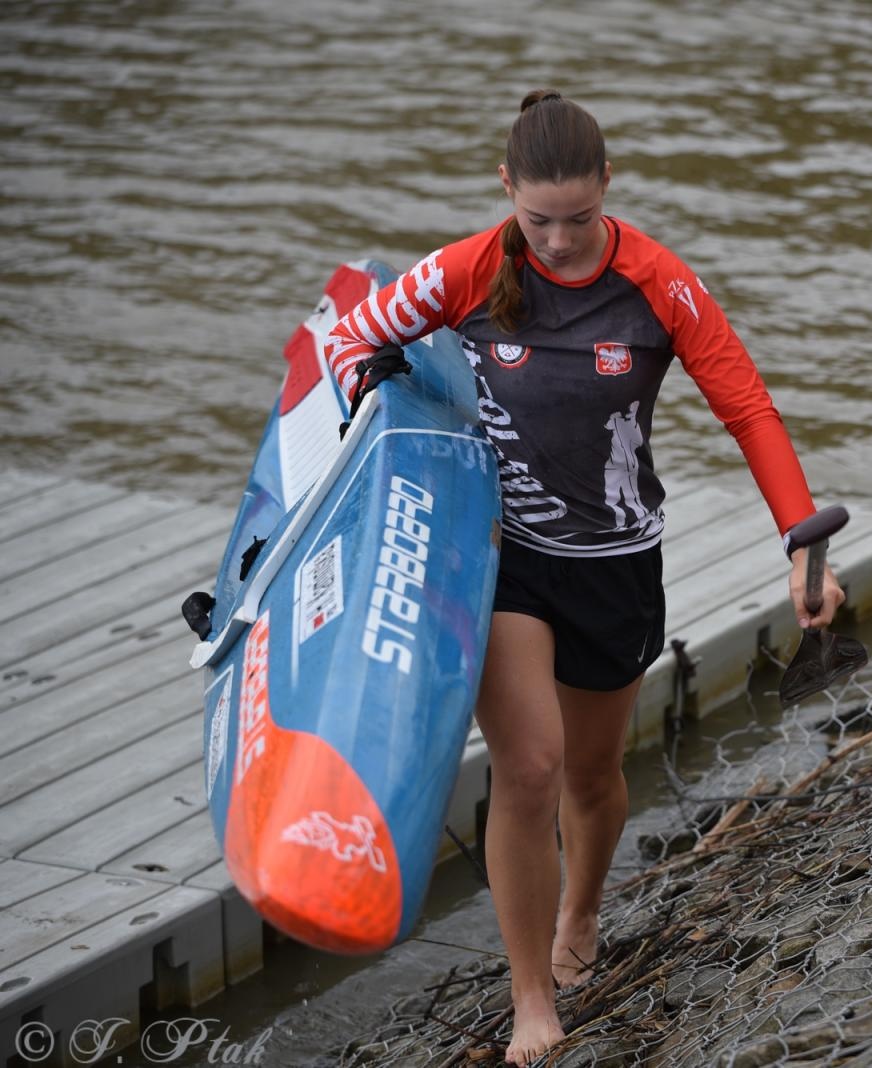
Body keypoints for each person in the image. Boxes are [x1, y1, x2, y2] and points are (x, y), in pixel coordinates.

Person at [323, 89, 845, 1064]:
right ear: (505, 189)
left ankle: (581, 909)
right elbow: (356, 336)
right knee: (527, 769)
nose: (558, 243)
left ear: (608, 186)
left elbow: (748, 408)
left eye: (577, 219)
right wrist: (372, 401)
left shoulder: (657, 282)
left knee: (596, 779)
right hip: (505, 558)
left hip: (613, 563)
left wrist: (802, 544)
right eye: (537, 220)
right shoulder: (469, 267)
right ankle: (532, 999)